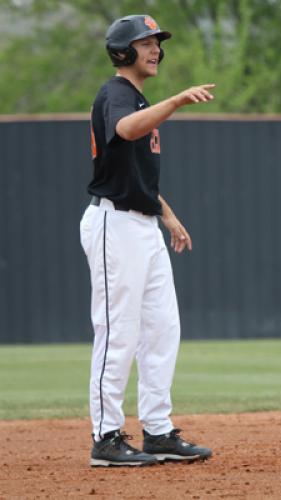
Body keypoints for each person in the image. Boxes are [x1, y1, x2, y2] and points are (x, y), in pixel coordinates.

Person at [80, 14, 215, 467]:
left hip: (142, 224)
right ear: (122, 51)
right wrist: (176, 100)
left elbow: (135, 174)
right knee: (119, 331)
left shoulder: (135, 98)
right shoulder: (117, 93)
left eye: (158, 42)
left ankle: (157, 431)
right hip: (113, 225)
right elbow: (125, 130)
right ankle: (105, 437)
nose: (155, 49)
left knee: (162, 329)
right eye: (145, 42)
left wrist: (167, 214)